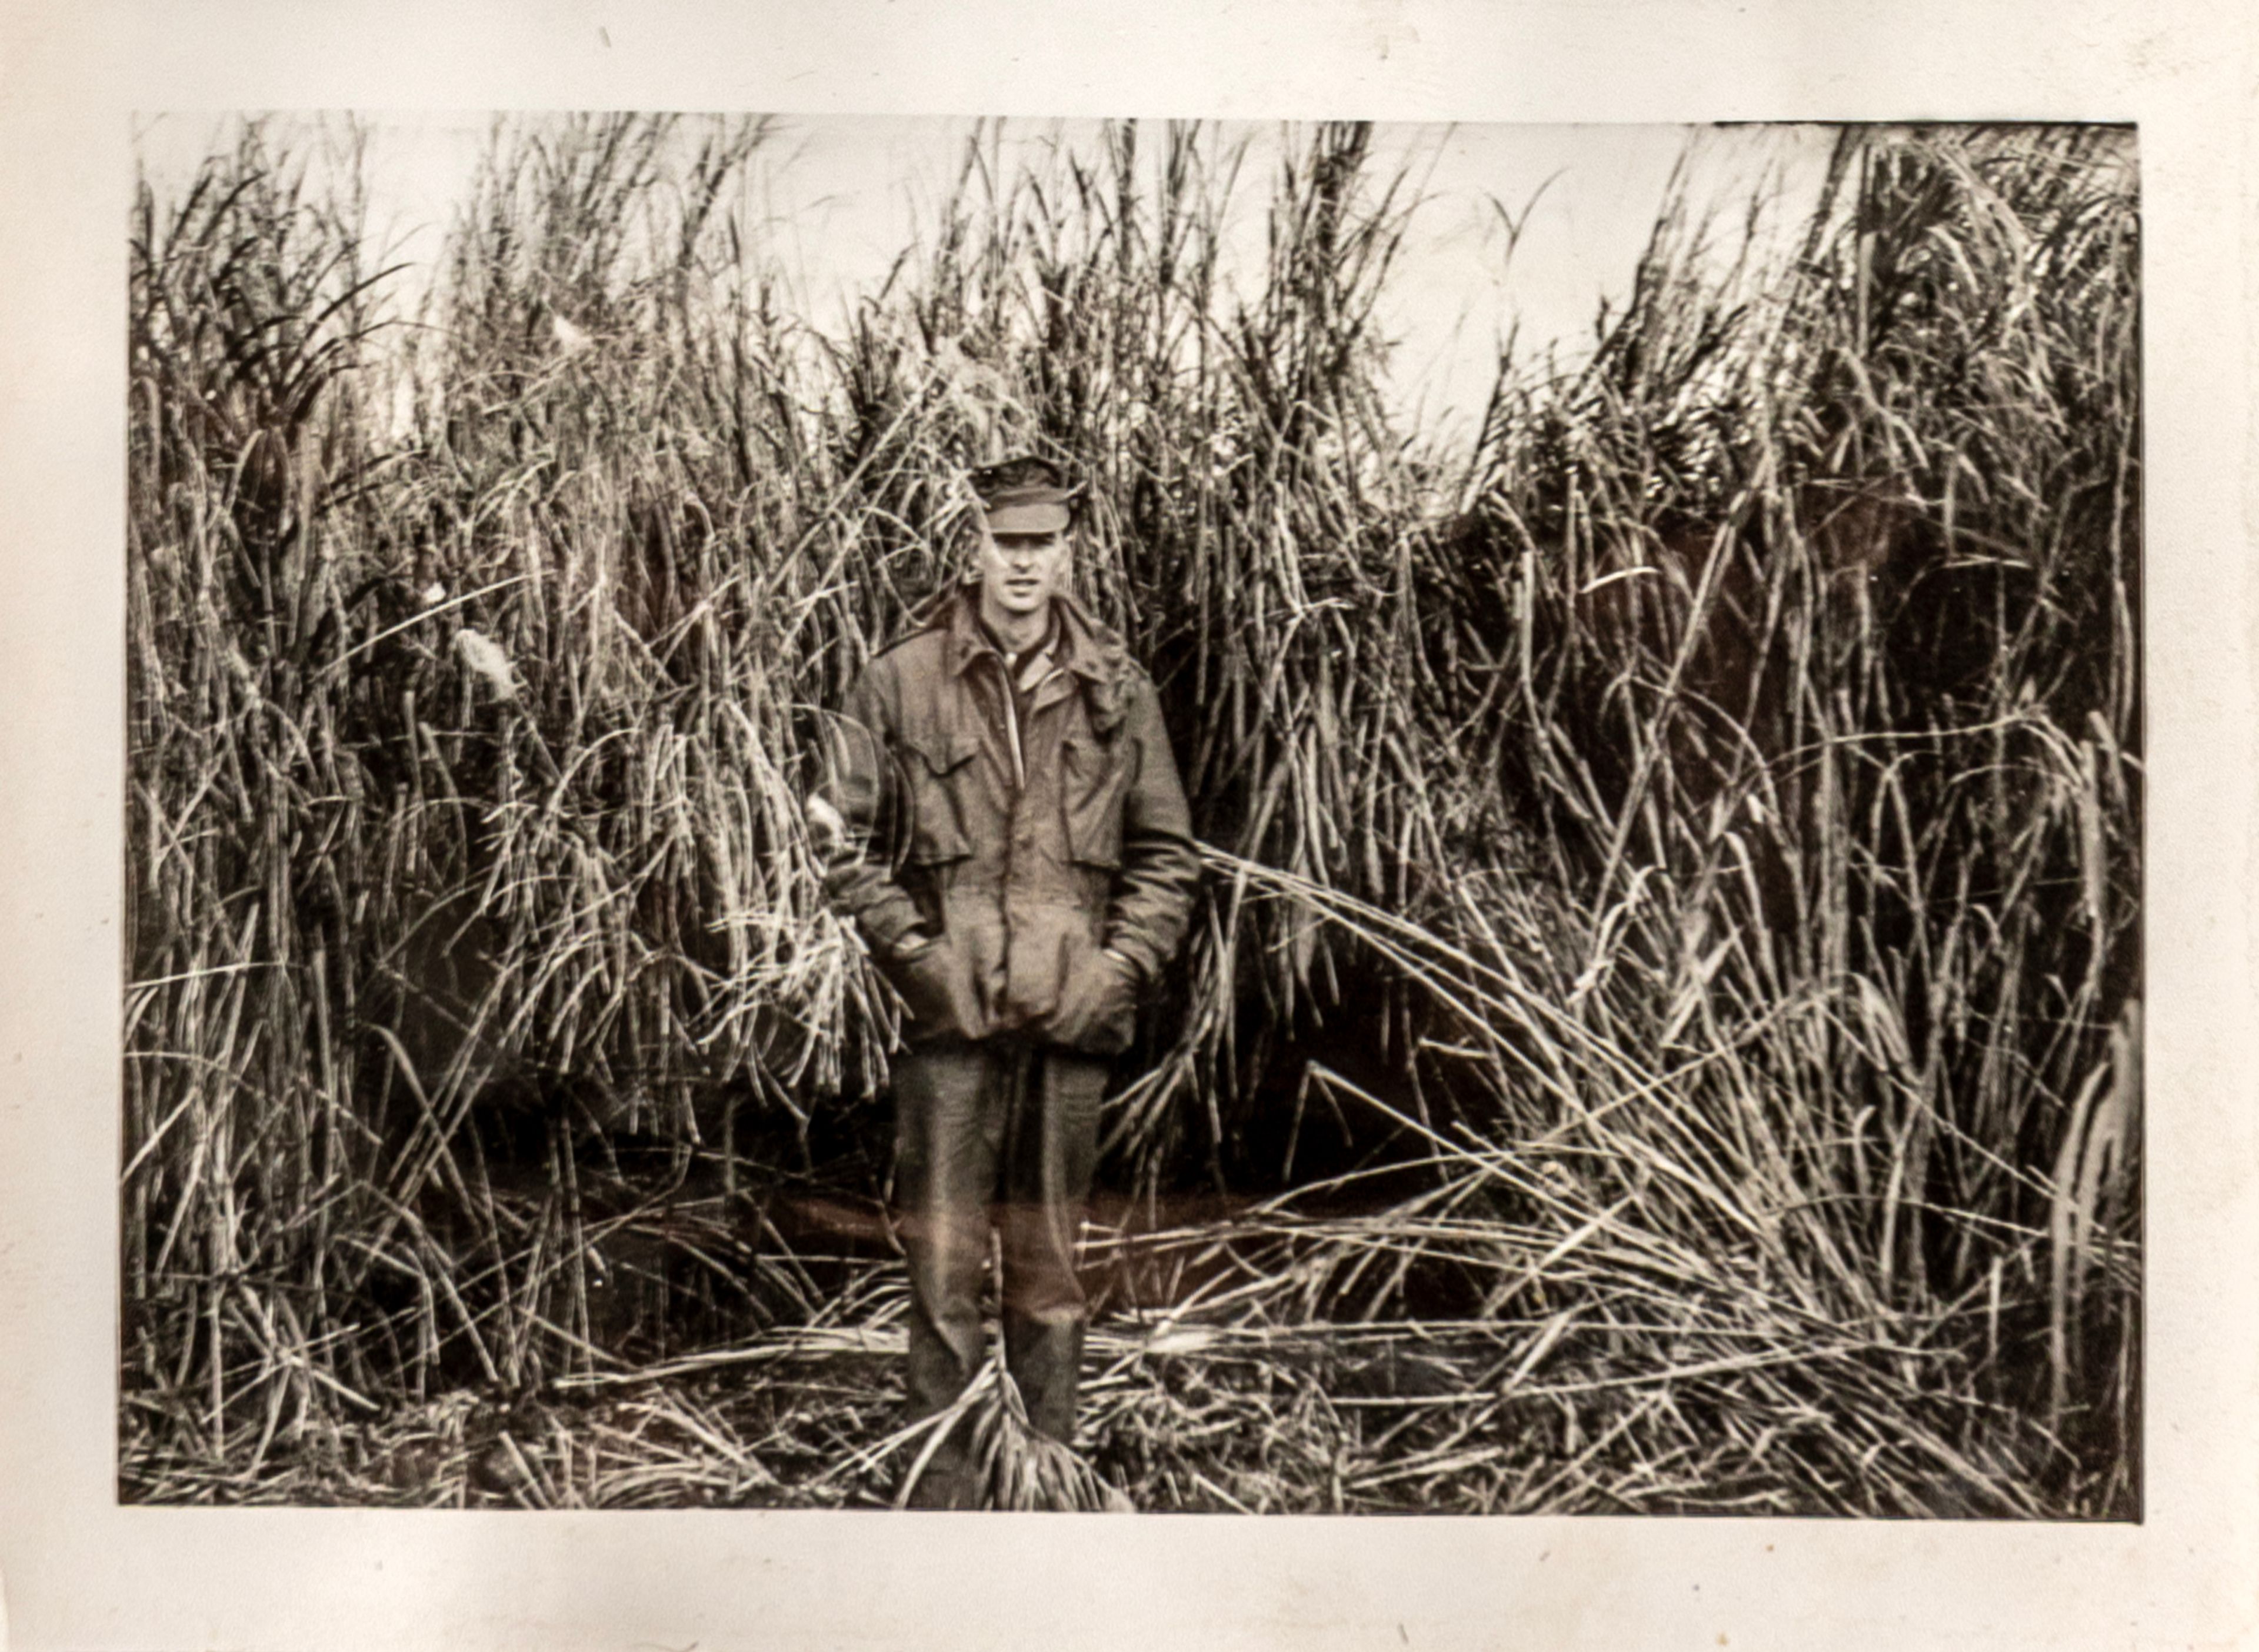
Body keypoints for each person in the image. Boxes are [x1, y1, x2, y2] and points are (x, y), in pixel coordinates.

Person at [812, 455, 1201, 1509]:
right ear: (973, 545)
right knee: (942, 1273)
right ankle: (941, 1501)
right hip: (951, 1021)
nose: (1023, 564)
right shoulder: (900, 678)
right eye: (1005, 542)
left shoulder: (1118, 687)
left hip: (1071, 1016)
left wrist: (1118, 970)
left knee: (1051, 1272)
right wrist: (919, 960)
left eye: (1043, 544)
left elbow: (1168, 855)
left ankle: (1043, 1487)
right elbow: (835, 839)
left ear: (1069, 550)